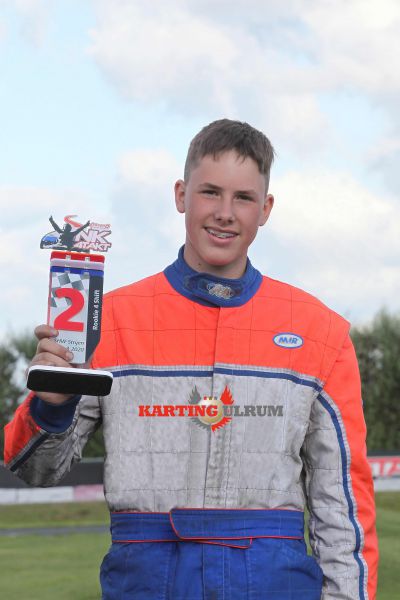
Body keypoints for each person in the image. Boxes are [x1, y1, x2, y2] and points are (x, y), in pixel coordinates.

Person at [4, 119, 378, 599]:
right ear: (181, 195)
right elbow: (35, 469)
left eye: (243, 198)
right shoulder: (107, 322)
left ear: (265, 209)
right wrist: (52, 405)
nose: (225, 213)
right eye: (210, 192)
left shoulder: (320, 332)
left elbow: (343, 504)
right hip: (146, 582)